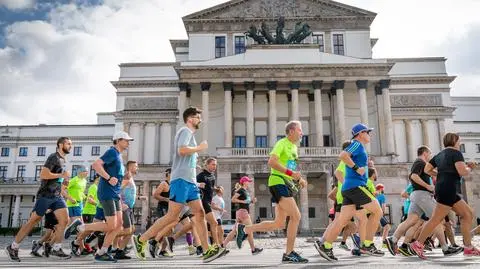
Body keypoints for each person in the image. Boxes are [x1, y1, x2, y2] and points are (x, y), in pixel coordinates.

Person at [132, 107, 225, 263]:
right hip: (180, 180)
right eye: (197, 117)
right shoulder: (185, 131)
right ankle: (142, 239)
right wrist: (199, 148)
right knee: (172, 217)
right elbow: (182, 150)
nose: (200, 120)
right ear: (190, 119)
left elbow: (186, 157)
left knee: (200, 213)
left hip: (190, 182)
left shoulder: (191, 135)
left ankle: (207, 250)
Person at [236, 121, 308, 263]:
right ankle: (289, 253)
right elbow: (272, 162)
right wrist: (291, 173)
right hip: (277, 182)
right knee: (296, 216)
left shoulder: (294, 147)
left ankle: (244, 230)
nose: (302, 133)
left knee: (279, 224)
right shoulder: (282, 143)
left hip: (286, 183)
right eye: (300, 130)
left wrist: (298, 179)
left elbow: (289, 167)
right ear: (292, 131)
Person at [316, 123, 384, 261]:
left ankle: (326, 245)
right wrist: (356, 167)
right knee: (378, 211)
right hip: (355, 186)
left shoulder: (360, 147)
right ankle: (367, 244)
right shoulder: (356, 144)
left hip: (349, 188)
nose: (369, 135)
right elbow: (343, 155)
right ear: (360, 134)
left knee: (341, 220)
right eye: (367, 132)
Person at [65, 130, 134, 262]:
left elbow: (116, 177)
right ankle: (81, 226)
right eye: (126, 140)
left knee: (118, 226)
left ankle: (102, 252)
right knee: (110, 225)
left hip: (115, 194)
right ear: (118, 140)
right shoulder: (112, 152)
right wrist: (108, 178)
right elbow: (96, 165)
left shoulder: (118, 155)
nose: (128, 143)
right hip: (107, 193)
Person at [410, 133, 479, 258]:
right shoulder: (456, 153)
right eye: (459, 141)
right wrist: (470, 167)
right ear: (454, 141)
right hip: (449, 188)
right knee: (436, 219)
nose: (459, 143)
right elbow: (462, 172)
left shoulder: (439, 155)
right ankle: (418, 244)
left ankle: (468, 247)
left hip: (445, 188)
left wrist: (441, 174)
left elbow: (427, 170)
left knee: (467, 214)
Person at [385, 145, 461, 257]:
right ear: (425, 153)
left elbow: (431, 172)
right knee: (438, 219)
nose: (430, 156)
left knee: (411, 221)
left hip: (416, 195)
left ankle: (393, 239)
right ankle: (445, 248)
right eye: (429, 154)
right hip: (422, 195)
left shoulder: (422, 164)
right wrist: (428, 186)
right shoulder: (419, 162)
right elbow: (413, 176)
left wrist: (442, 173)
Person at [6, 137, 73, 262]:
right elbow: (43, 174)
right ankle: (13, 246)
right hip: (46, 195)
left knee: (65, 220)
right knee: (33, 221)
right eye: (68, 143)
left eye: (71, 144)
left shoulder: (63, 159)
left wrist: (64, 181)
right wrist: (61, 175)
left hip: (57, 196)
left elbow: (56, 178)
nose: (70, 146)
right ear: (60, 144)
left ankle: (56, 247)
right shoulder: (53, 157)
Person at [222, 176, 263, 255]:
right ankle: (253, 249)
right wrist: (243, 202)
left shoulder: (245, 191)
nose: (249, 183)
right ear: (244, 182)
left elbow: (245, 202)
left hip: (242, 212)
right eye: (248, 181)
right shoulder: (241, 190)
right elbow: (233, 199)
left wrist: (251, 201)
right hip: (243, 212)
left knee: (234, 231)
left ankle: (222, 246)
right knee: (249, 230)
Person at [197, 158, 221, 246]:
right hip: (203, 201)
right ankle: (216, 245)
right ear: (207, 165)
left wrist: (216, 189)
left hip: (208, 202)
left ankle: (208, 246)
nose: (215, 166)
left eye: (215, 165)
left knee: (207, 225)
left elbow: (210, 187)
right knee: (214, 223)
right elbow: (192, 186)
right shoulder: (201, 176)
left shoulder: (212, 176)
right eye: (213, 164)